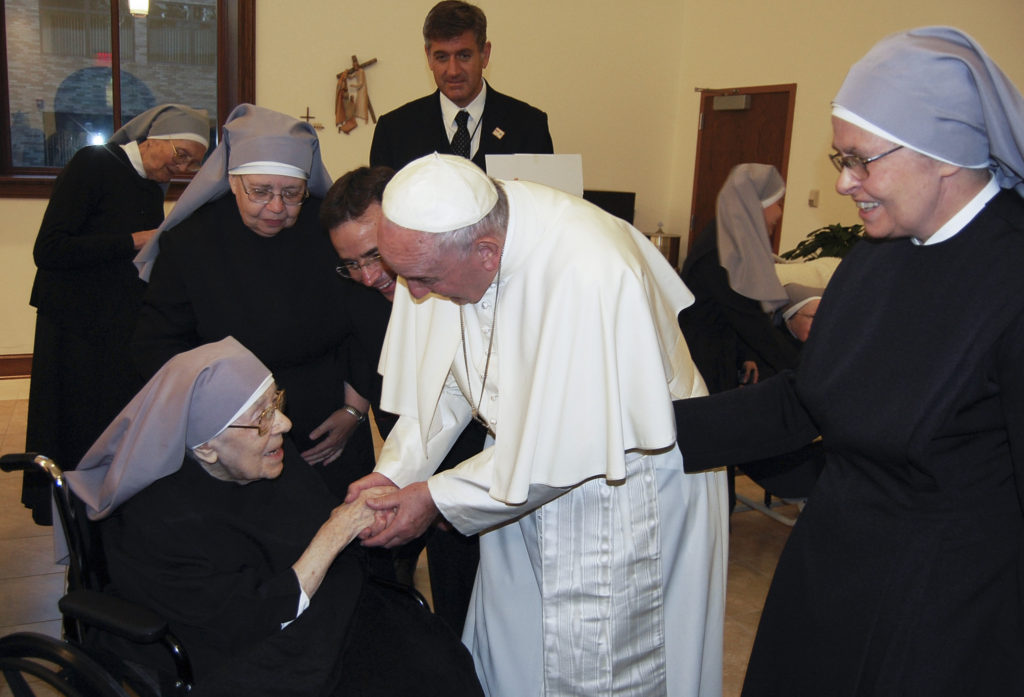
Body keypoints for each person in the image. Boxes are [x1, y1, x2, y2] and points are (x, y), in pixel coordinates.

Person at [676, 26, 1024, 696]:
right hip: (827, 579)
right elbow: (806, 398)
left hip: (942, 614)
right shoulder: (879, 252)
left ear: (945, 151)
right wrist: (648, 429)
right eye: (840, 157)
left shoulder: (1010, 274)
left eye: (861, 160)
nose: (843, 183)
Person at [348, 153, 729, 696]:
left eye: (424, 281)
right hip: (512, 478)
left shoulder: (592, 270)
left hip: (622, 489)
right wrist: (396, 471)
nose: (414, 295)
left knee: (602, 666)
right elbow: (448, 378)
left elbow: (573, 442)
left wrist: (433, 497)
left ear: (487, 252)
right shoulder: (435, 249)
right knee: (517, 650)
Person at [65, 337, 483, 696]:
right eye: (261, 418)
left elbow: (323, 536)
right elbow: (251, 619)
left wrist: (372, 518)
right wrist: (338, 529)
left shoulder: (267, 460)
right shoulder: (156, 525)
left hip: (330, 612)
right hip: (244, 652)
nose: (283, 423)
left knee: (438, 661)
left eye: (275, 403)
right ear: (207, 448)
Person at [131, 104, 379, 501]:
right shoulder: (190, 242)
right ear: (232, 181)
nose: (277, 207)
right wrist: (218, 425)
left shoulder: (327, 231)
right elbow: (157, 344)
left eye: (292, 193)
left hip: (327, 422)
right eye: (260, 191)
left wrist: (353, 411)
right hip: (229, 432)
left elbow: (364, 325)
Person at [23, 103, 208, 525]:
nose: (181, 168)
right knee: (75, 429)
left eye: (192, 164)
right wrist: (135, 239)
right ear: (152, 138)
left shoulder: (147, 186)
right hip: (73, 327)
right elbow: (49, 249)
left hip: (115, 327)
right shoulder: (93, 164)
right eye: (180, 155)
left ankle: (106, 514)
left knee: (108, 429)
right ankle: (73, 519)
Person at [321, 165, 486, 634]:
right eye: (351, 263)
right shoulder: (368, 290)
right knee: (452, 599)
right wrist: (394, 472)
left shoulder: (448, 277)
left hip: (482, 458)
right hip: (414, 450)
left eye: (375, 255)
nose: (369, 276)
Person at [369, 0, 553, 172]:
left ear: (485, 54)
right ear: (429, 57)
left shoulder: (529, 126)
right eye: (442, 57)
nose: (453, 71)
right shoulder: (394, 132)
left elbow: (544, 204)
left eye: (464, 56)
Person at [678, 163, 799, 393]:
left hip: (721, 352)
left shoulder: (731, 238)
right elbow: (749, 318)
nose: (779, 212)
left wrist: (748, 354)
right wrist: (803, 370)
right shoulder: (721, 251)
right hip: (703, 361)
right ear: (754, 205)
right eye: (777, 203)